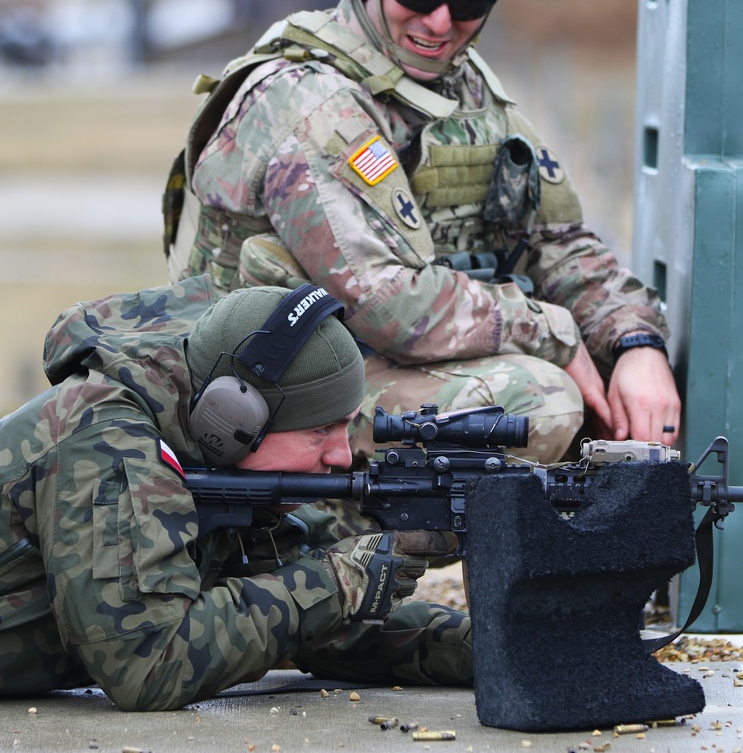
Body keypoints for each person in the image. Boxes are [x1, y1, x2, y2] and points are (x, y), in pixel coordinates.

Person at [164, 0, 680, 465]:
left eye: (471, 2)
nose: (439, 23)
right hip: (268, 406)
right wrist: (555, 335)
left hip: (366, 375)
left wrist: (636, 342)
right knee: (542, 401)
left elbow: (561, 245)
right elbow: (390, 307)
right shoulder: (308, 102)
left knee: (633, 401)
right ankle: (349, 551)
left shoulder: (465, 92)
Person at [0, 276, 470, 711]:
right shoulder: (108, 443)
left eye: (345, 426)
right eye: (320, 430)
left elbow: (318, 628)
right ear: (231, 418)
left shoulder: (213, 454)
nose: (342, 456)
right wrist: (337, 582)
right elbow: (145, 665)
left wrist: (489, 647)